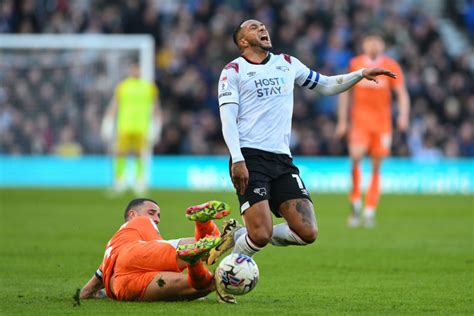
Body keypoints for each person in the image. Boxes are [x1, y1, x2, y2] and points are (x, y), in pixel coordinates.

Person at [210, 19, 398, 265]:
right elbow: (228, 120)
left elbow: (327, 85)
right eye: (254, 27)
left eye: (264, 26)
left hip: (281, 159)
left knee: (307, 232)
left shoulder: (287, 63)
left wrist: (360, 74)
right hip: (250, 157)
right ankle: (226, 276)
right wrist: (237, 159)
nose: (263, 28)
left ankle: (237, 236)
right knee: (261, 235)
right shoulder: (233, 71)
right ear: (243, 41)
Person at [80, 199, 236, 303]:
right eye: (151, 212)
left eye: (158, 215)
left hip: (122, 286)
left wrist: (100, 294)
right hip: (135, 255)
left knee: (202, 286)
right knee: (213, 243)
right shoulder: (138, 223)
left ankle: (194, 261)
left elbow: (87, 290)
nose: (156, 219)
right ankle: (203, 222)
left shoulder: (113, 246)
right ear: (132, 215)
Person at [336, 32, 410, 228]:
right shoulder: (355, 64)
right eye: (370, 41)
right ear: (364, 44)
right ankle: (355, 201)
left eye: (377, 41)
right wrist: (342, 121)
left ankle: (369, 210)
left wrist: (403, 116)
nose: (373, 45)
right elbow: (344, 93)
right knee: (355, 158)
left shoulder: (391, 66)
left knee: (377, 167)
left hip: (382, 124)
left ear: (382, 45)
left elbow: (401, 93)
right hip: (360, 122)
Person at [101, 60, 162, 195]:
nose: (135, 71)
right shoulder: (123, 86)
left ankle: (139, 182)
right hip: (124, 125)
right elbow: (115, 104)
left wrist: (157, 125)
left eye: (137, 69)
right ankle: (119, 181)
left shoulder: (149, 87)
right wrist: (108, 121)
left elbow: (155, 106)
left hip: (142, 127)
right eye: (133, 69)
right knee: (119, 153)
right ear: (130, 70)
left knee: (140, 154)